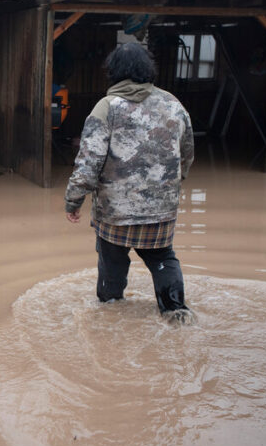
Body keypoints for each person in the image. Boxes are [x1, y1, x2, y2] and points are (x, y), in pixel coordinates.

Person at [64, 43, 195, 323]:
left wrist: (74, 200)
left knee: (111, 262)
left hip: (115, 214)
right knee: (163, 259)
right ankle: (176, 313)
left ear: (113, 72)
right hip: (161, 211)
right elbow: (186, 154)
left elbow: (88, 162)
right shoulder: (174, 105)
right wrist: (170, 187)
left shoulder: (107, 107)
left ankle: (110, 314)